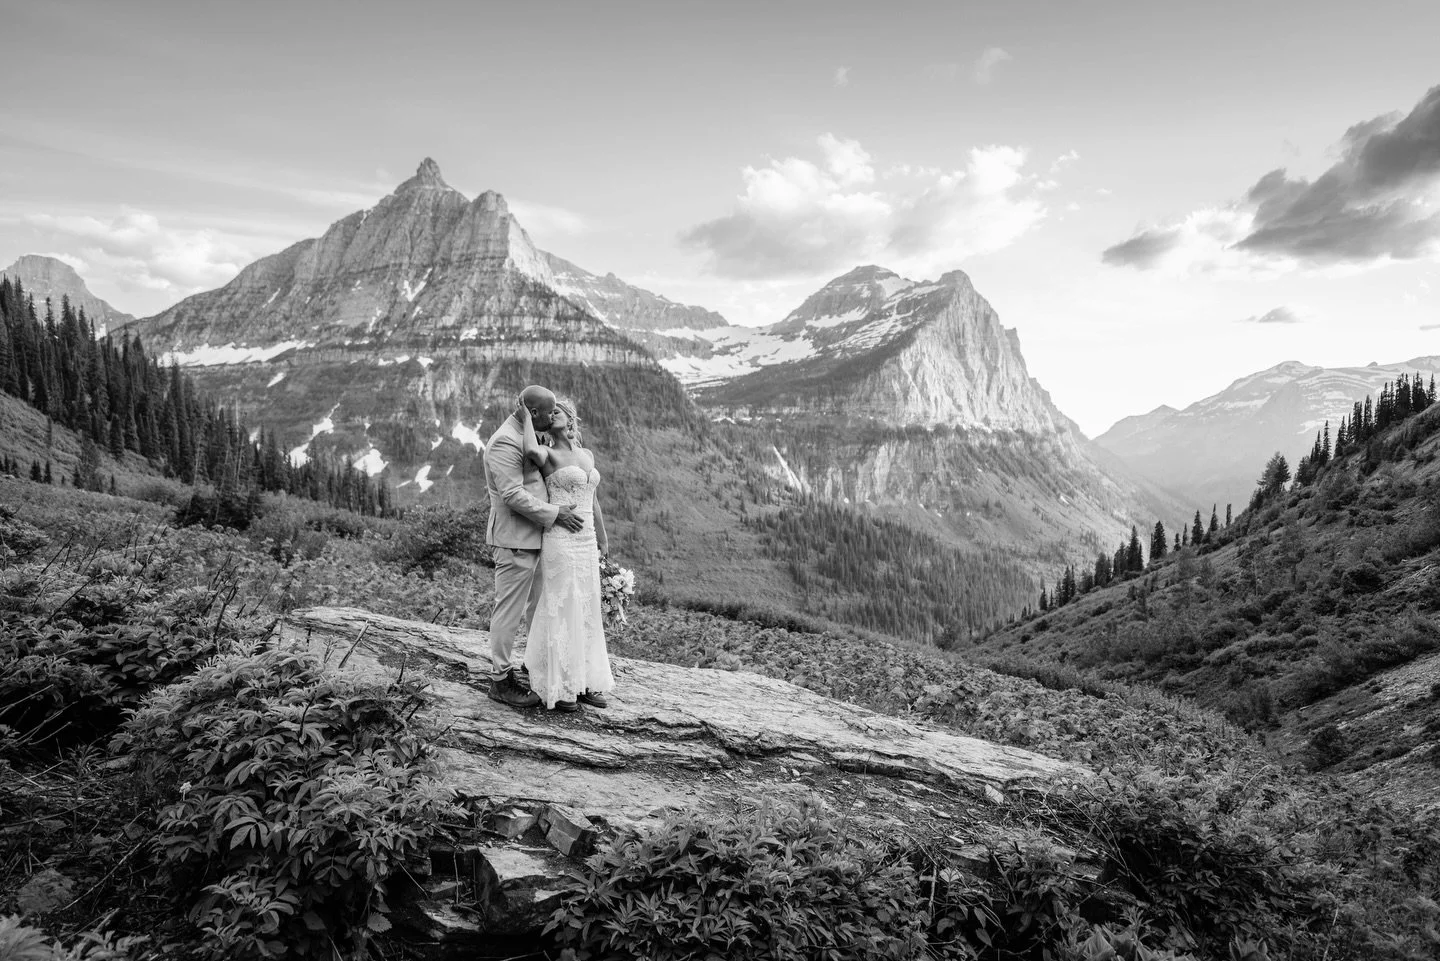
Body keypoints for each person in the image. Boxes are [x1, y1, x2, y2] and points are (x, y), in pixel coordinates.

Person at [481, 385, 586, 708]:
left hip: (537, 538)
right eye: (548, 412)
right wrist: (556, 514)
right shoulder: (504, 442)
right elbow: (512, 495)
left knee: (539, 606)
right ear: (533, 412)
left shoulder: (525, 434)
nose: (553, 416)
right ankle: (501, 679)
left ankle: (534, 664)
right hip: (514, 539)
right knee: (509, 610)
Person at [517, 396, 616, 711]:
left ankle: (584, 681)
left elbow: (594, 499)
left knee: (586, 606)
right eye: (550, 412)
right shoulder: (546, 454)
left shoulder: (586, 454)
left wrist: (603, 538)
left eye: (558, 411)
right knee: (563, 604)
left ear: (570, 420)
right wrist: (525, 415)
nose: (553, 414)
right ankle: (559, 685)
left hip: (586, 541)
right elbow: (530, 449)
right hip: (560, 537)